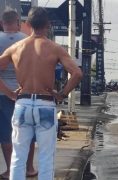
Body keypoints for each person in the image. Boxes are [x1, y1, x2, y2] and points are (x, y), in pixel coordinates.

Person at [0, 7, 83, 180]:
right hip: (45, 103)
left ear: (27, 24)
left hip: (22, 104)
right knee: (46, 157)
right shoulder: (54, 48)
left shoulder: (16, 47)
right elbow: (77, 73)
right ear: (49, 25)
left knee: (18, 156)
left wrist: (9, 93)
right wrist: (61, 94)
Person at [0, 10, 37, 179]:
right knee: (26, 131)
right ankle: (29, 168)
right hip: (25, 93)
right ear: (18, 21)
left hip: (1, 94)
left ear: (2, 22)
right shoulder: (27, 40)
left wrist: (7, 92)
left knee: (6, 133)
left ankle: (11, 170)